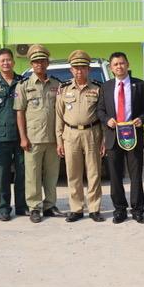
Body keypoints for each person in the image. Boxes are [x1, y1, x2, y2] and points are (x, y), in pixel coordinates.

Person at [14, 44, 65, 224]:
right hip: (33, 139)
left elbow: (61, 112)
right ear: (31, 63)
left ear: (47, 63)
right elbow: (19, 112)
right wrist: (23, 137)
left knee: (52, 174)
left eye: (42, 61)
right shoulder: (24, 86)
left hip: (52, 138)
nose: (39, 65)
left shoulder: (56, 85)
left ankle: (50, 205)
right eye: (36, 62)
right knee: (33, 175)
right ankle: (34, 207)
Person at [97, 52, 144, 224]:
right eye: (115, 64)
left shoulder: (140, 85)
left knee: (136, 175)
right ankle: (119, 209)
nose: (119, 66)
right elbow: (100, 110)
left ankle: (137, 210)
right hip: (113, 137)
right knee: (115, 175)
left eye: (122, 63)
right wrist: (107, 120)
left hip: (133, 136)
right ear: (111, 68)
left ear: (127, 64)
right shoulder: (105, 87)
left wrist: (141, 119)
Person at [55, 50, 105, 223]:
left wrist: (104, 139)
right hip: (70, 134)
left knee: (94, 172)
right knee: (73, 173)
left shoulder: (98, 89)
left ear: (88, 69)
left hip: (92, 133)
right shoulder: (64, 89)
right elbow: (58, 116)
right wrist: (59, 140)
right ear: (71, 70)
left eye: (82, 67)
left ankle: (94, 208)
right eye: (76, 68)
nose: (79, 71)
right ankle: (76, 209)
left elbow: (103, 115)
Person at [0, 48, 29, 222]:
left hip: (21, 136)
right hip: (1, 137)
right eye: (2, 60)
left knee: (22, 173)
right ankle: (4, 208)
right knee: (3, 175)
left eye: (9, 60)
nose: (6, 63)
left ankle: (21, 206)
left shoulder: (22, 81)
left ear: (14, 61)